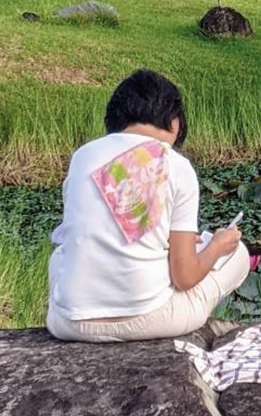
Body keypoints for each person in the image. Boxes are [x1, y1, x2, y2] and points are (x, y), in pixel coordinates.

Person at [46, 68, 250, 342]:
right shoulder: (175, 165)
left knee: (61, 255)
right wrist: (216, 247)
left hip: (68, 324)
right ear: (174, 122)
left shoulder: (83, 156)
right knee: (238, 255)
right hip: (151, 320)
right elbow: (184, 277)